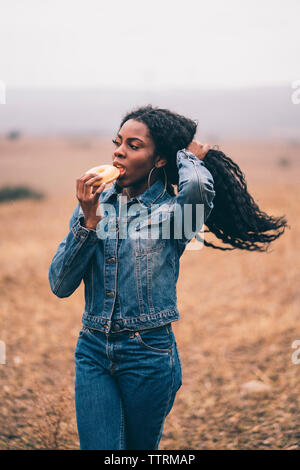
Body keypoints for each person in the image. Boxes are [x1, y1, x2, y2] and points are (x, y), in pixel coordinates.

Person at [48, 105, 287, 450]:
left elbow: (198, 190)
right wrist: (88, 222)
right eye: (117, 143)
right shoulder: (94, 206)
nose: (118, 151)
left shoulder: (175, 215)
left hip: (148, 354)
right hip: (93, 349)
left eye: (133, 145)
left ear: (159, 159)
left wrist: (189, 155)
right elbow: (59, 284)